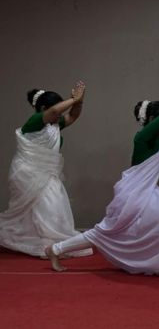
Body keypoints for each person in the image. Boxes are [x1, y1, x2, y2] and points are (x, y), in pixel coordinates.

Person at [45, 58, 159, 277]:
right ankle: (55, 249)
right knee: (105, 232)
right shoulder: (144, 138)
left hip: (149, 196)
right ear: (154, 121)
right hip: (134, 197)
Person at [0, 82, 93, 258]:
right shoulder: (35, 122)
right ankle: (46, 242)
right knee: (43, 205)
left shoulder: (54, 125)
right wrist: (73, 98)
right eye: (54, 109)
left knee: (52, 204)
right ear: (43, 108)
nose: (59, 115)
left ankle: (48, 240)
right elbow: (55, 112)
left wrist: (78, 102)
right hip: (27, 173)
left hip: (46, 173)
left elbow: (72, 116)